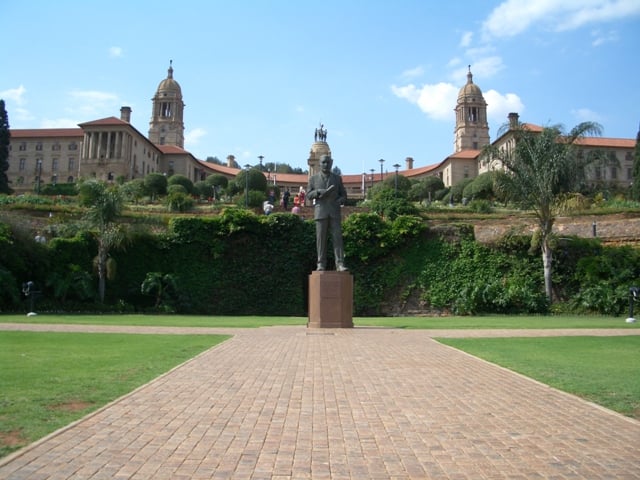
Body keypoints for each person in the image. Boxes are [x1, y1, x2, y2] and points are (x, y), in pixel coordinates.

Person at [307, 154, 347, 271]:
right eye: (323, 162)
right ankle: (320, 263)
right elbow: (309, 195)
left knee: (337, 238)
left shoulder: (337, 178)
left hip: (334, 211)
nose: (326, 164)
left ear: (331, 163)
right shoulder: (313, 179)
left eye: (328, 162)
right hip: (321, 212)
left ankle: (340, 263)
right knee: (321, 240)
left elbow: (344, 195)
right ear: (319, 163)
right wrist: (318, 192)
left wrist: (339, 201)